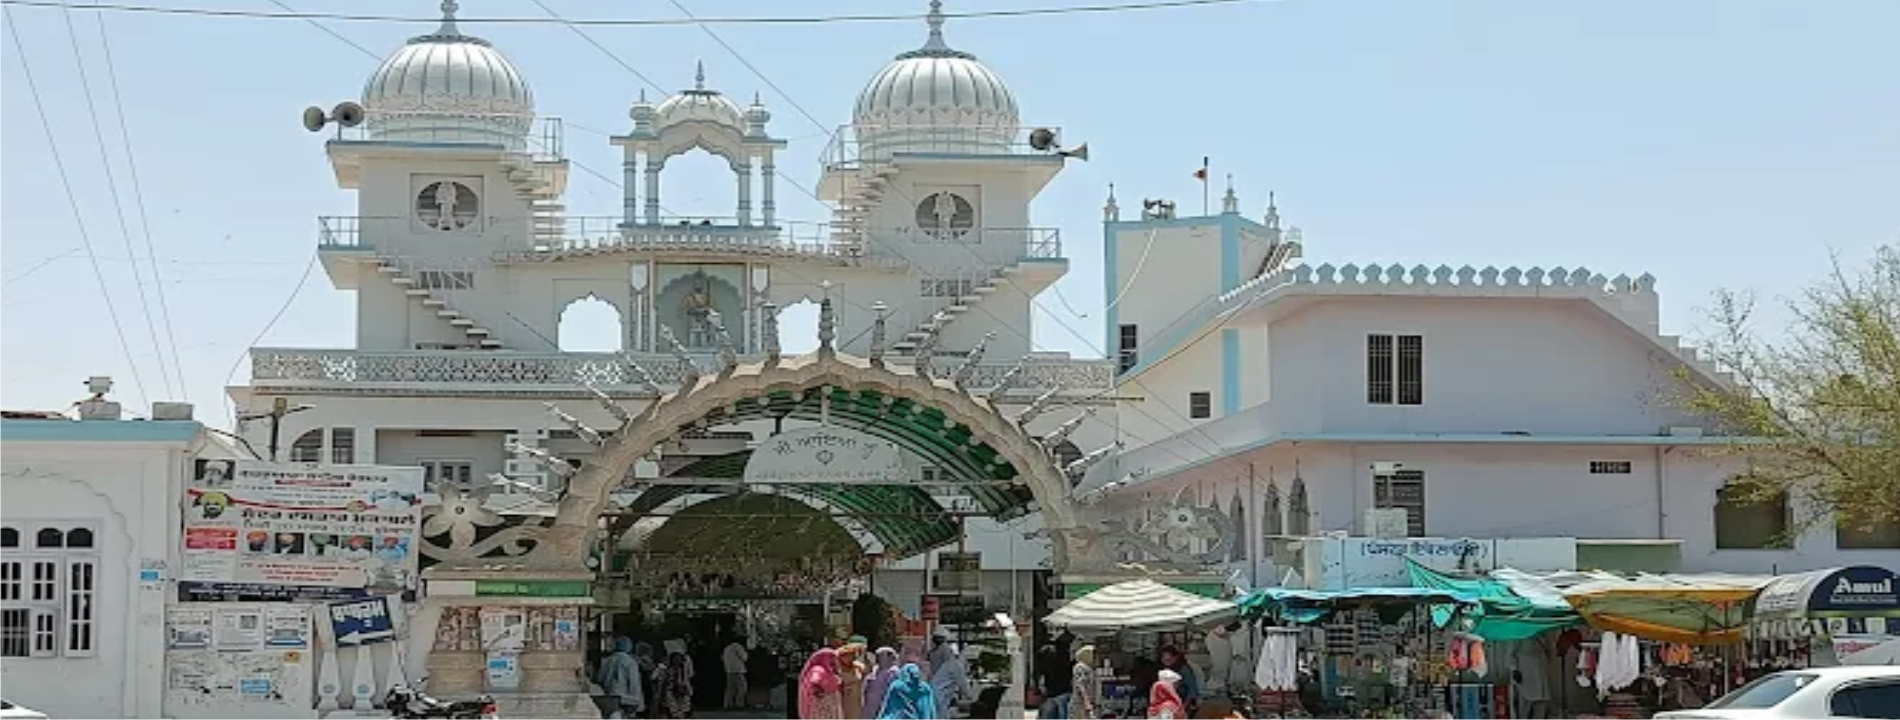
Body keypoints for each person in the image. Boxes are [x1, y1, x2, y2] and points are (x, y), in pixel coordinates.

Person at [597, 637, 646, 720]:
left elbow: (599, 679)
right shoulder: (630, 662)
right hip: (624, 701)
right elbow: (634, 684)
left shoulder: (607, 661)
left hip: (608, 700)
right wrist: (638, 705)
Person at [925, 631, 968, 720]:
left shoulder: (936, 651)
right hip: (939, 690)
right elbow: (964, 686)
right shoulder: (948, 655)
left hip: (935, 687)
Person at [799, 648, 845, 720]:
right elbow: (814, 681)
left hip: (830, 704)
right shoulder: (818, 669)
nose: (834, 660)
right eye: (831, 657)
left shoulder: (828, 669)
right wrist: (818, 690)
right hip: (823, 705)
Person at [1159, 646, 1201, 716]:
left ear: (1175, 658)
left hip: (1184, 702)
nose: (1165, 661)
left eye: (1169, 659)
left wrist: (1184, 706)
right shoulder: (1164, 669)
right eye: (1163, 658)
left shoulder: (1183, 669)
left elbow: (1192, 689)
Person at [862, 647, 900, 720]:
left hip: (883, 703)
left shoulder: (893, 672)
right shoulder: (875, 669)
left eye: (880, 656)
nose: (878, 658)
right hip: (870, 705)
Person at [655, 649, 695, 720]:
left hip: (683, 691)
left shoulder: (684, 667)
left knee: (685, 708)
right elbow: (657, 678)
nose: (677, 661)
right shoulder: (665, 668)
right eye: (676, 659)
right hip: (670, 691)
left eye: (679, 659)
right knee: (673, 709)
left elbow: (690, 675)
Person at [1037, 643, 1073, 720]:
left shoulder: (1044, 665)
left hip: (1051, 694)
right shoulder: (1063, 662)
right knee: (1062, 716)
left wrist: (1043, 691)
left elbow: (1042, 681)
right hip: (1064, 693)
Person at [838, 644, 869, 720]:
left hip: (856, 701)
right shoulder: (836, 668)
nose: (850, 657)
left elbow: (868, 670)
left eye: (852, 655)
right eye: (847, 655)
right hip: (842, 700)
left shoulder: (857, 666)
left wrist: (864, 654)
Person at [1071, 646, 1100, 720]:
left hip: (1088, 702)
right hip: (1080, 703)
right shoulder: (1080, 667)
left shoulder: (1089, 668)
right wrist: (1087, 703)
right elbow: (1081, 686)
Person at [723, 636, 752, 710]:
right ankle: (739, 704)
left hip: (729, 670)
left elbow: (722, 658)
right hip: (738, 670)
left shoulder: (727, 648)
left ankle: (728, 704)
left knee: (730, 689)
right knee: (742, 688)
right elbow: (745, 658)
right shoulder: (738, 647)